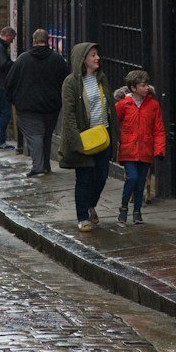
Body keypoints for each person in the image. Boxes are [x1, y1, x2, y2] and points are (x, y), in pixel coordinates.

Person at [57, 42, 114, 230]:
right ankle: (82, 217)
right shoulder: (70, 83)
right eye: (93, 55)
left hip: (103, 135)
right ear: (83, 59)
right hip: (85, 138)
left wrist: (116, 134)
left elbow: (110, 107)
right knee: (84, 178)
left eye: (97, 54)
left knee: (102, 176)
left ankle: (91, 204)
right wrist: (77, 141)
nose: (97, 58)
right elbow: (69, 115)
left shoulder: (101, 78)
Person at [8, 30, 68, 177]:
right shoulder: (58, 60)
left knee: (35, 136)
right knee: (46, 135)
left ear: (33, 40)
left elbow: (9, 82)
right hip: (51, 106)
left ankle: (38, 167)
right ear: (47, 40)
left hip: (28, 106)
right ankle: (45, 165)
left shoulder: (23, 59)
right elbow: (65, 81)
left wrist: (13, 99)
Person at [113, 69, 165, 225]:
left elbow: (159, 129)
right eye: (143, 85)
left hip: (146, 149)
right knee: (132, 177)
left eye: (147, 84)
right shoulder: (123, 105)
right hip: (128, 149)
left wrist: (159, 149)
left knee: (141, 181)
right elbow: (115, 125)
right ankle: (123, 208)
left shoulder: (153, 105)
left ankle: (137, 211)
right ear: (133, 88)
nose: (147, 88)